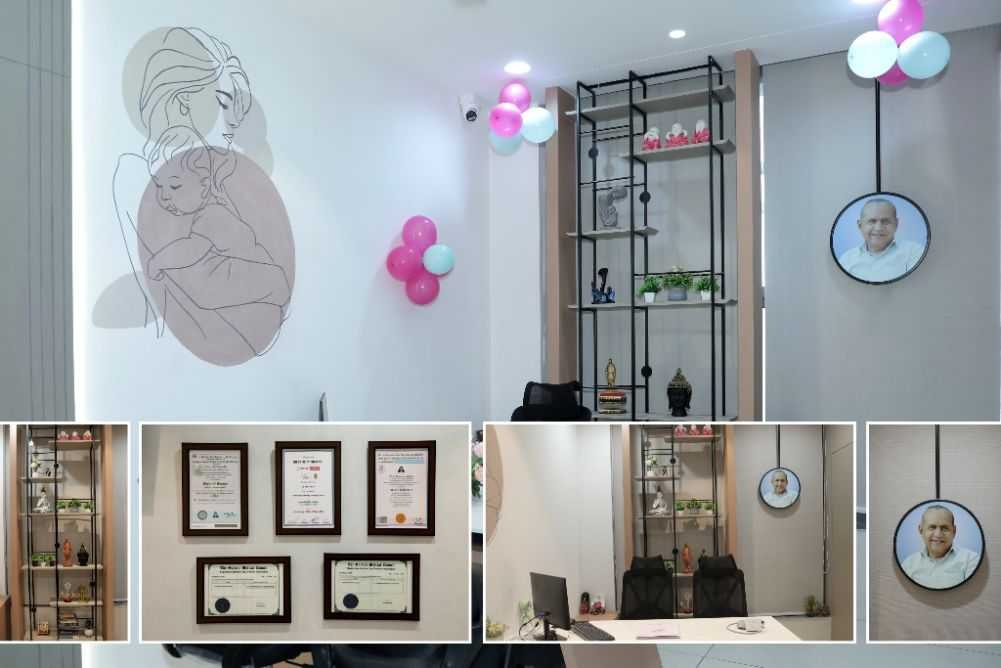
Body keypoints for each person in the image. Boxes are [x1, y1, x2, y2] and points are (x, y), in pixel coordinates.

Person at [837, 198, 924, 282]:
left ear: (896, 224)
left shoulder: (913, 252)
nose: (878, 228)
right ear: (860, 225)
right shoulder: (847, 259)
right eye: (872, 221)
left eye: (885, 221)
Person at [900, 505, 980, 589]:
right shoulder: (908, 564)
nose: (938, 534)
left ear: (954, 531)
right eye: (932, 527)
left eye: (944, 528)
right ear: (920, 530)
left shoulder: (970, 560)